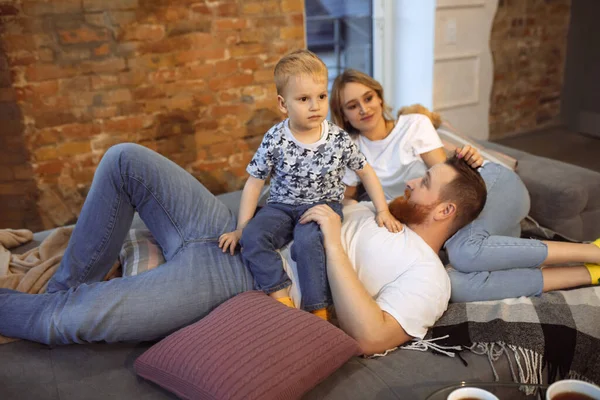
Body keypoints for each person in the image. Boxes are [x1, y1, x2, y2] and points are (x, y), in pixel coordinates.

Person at [1, 143, 502, 354]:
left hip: (240, 282)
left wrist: (332, 239)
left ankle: (56, 303)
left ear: (445, 212)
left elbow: (372, 337)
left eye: (427, 182)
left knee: (72, 322)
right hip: (233, 230)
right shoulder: (384, 206)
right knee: (125, 159)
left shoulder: (428, 276)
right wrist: (472, 159)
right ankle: (65, 284)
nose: (414, 180)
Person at [330, 68, 600, 302]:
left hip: (487, 186)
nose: (364, 109)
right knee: (453, 286)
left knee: (464, 252)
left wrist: (466, 159)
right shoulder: (352, 149)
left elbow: (447, 180)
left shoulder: (413, 125)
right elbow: (346, 199)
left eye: (368, 98)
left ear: (379, 97)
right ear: (343, 115)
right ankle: (588, 273)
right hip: (448, 219)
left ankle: (593, 251)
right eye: (353, 106)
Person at [218, 50, 400, 320]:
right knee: (253, 237)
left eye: (321, 97)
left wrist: (382, 209)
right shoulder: (275, 138)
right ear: (283, 104)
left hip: (322, 206)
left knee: (307, 243)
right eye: (304, 99)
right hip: (280, 206)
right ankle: (281, 298)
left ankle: (318, 311)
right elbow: (254, 183)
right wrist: (242, 227)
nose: (315, 106)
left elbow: (366, 171)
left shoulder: (337, 139)